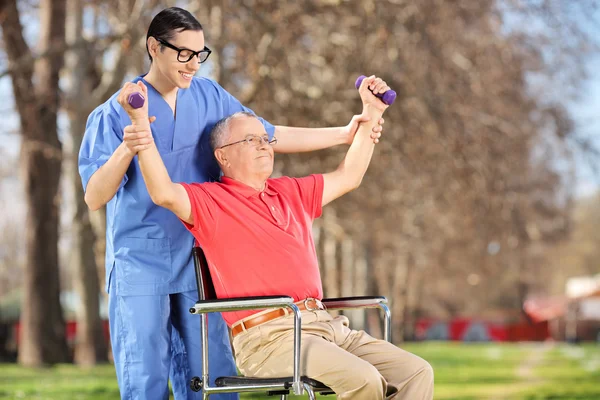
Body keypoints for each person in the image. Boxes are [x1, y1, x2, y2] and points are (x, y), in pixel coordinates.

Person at [78, 6, 384, 400]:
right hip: (141, 260)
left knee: (212, 376)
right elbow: (94, 196)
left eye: (200, 54)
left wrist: (344, 134)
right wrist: (128, 146)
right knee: (145, 378)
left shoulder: (208, 96)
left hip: (201, 259)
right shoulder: (114, 112)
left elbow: (269, 135)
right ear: (154, 47)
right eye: (183, 53)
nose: (193, 64)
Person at [121, 75, 434, 399]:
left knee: (416, 372)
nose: (262, 144)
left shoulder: (290, 191)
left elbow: (349, 176)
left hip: (326, 325)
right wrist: (141, 127)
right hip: (268, 339)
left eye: (264, 139)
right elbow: (162, 192)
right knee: (365, 379)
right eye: (250, 140)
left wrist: (373, 113)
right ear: (223, 156)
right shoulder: (211, 201)